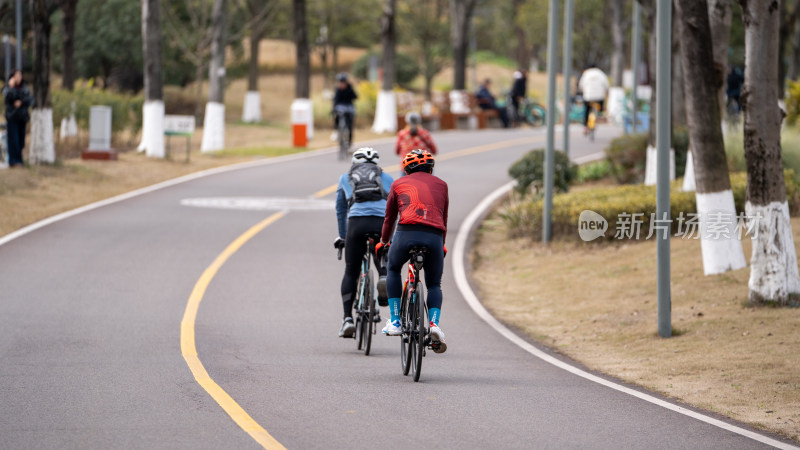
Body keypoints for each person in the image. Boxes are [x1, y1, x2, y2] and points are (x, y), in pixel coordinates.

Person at [376, 149, 449, 354]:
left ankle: (396, 320)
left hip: (406, 233)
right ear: (431, 169)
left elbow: (389, 218)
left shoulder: (398, 184)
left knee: (392, 269)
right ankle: (434, 325)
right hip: (434, 236)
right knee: (434, 283)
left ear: (406, 169)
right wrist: (441, 243)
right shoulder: (442, 185)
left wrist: (383, 241)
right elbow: (443, 218)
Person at [334, 147, 394, 338]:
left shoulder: (345, 177)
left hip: (357, 223)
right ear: (376, 165)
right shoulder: (388, 178)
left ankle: (347, 320)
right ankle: (383, 275)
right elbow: (395, 208)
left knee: (351, 270)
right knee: (381, 254)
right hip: (381, 222)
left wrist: (343, 236)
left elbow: (341, 210)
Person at [3, 70, 33, 168]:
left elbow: (30, 99)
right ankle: (14, 161)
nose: (18, 77)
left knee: (20, 141)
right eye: (16, 76)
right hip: (12, 117)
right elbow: (7, 97)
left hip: (22, 117)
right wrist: (11, 87)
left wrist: (21, 102)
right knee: (13, 140)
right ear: (12, 77)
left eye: (20, 75)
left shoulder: (25, 88)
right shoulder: (8, 88)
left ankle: (19, 160)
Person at [578, 63, 610, 133]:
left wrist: (582, 91)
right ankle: (600, 115)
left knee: (586, 110)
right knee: (600, 107)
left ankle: (585, 127)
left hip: (588, 97)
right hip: (599, 97)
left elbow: (581, 85)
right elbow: (607, 85)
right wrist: (607, 92)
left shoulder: (586, 73)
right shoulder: (601, 73)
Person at [331, 73, 357, 145]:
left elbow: (355, 96)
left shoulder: (350, 88)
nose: (342, 84)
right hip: (340, 106)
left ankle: (349, 142)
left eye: (343, 82)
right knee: (337, 116)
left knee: (350, 125)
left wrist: (349, 91)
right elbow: (335, 100)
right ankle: (336, 131)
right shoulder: (338, 89)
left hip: (349, 107)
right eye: (340, 82)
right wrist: (333, 108)